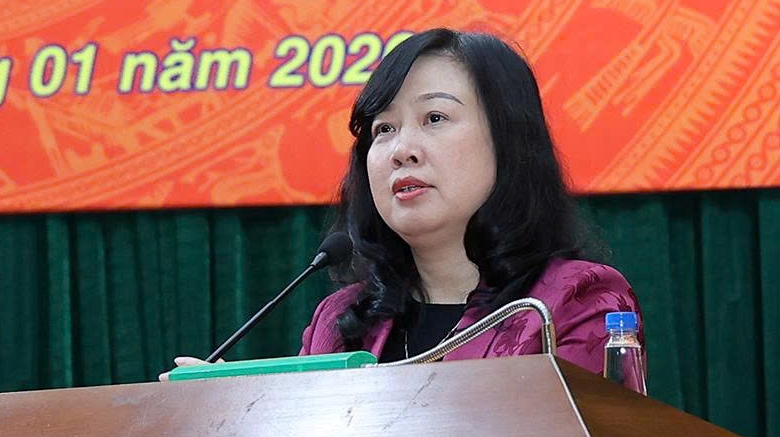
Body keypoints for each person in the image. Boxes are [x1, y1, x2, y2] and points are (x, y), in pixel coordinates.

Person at [163, 27, 643, 379]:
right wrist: (238, 414)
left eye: (434, 118)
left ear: (508, 140)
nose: (401, 150)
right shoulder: (341, 322)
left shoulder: (573, 300)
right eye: (384, 129)